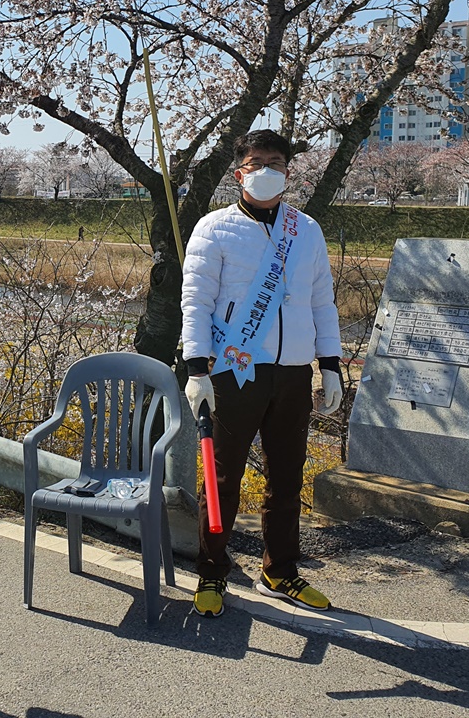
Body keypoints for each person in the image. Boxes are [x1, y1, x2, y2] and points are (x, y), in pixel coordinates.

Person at [179, 129, 344, 619]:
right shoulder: (213, 228)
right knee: (221, 476)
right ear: (239, 173)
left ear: (288, 172)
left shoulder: (306, 229)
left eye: (276, 161)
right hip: (234, 371)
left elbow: (321, 301)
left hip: (293, 370)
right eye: (257, 162)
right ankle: (211, 572)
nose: (267, 169)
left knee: (287, 475)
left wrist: (330, 364)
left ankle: (281, 571)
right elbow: (196, 300)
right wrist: (196, 368)